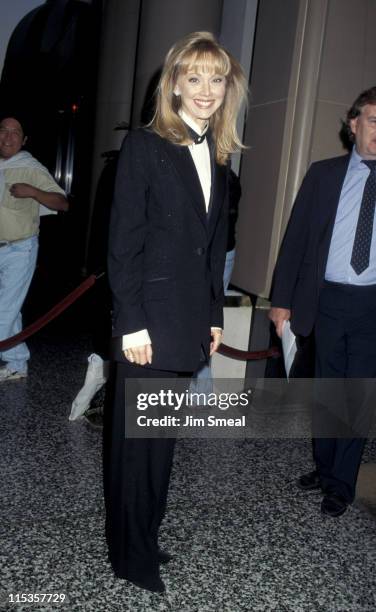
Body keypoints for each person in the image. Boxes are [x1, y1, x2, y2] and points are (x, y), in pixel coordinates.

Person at [105, 31, 247, 593]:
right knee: (136, 444)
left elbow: (213, 250)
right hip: (148, 320)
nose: (206, 89)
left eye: (216, 78)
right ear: (175, 86)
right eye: (195, 77)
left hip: (188, 319)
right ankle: (129, 552)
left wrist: (214, 316)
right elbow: (123, 243)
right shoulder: (145, 147)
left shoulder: (220, 151)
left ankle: (142, 537)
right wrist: (131, 321)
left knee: (157, 440)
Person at [269, 86, 376, 518]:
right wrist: (281, 301)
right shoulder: (324, 174)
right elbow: (294, 241)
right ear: (353, 124)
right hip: (326, 300)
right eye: (374, 121)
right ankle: (326, 464)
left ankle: (340, 483)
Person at [0, 116, 68, 381]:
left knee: (2, 316)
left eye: (15, 132)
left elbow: (62, 203)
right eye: (3, 130)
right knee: (10, 310)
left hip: (20, 250)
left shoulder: (30, 167)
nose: (8, 136)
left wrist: (33, 192)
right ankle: (17, 364)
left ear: (24, 139)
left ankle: (14, 360)